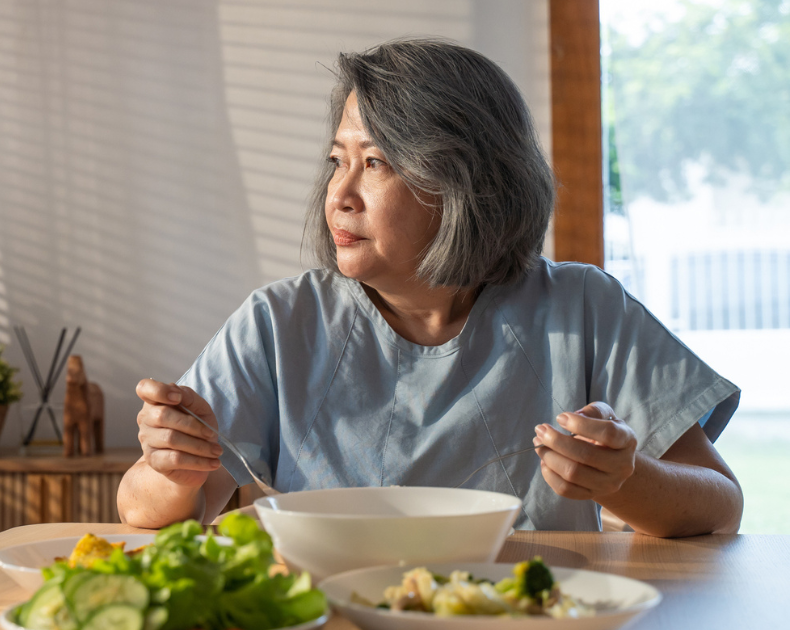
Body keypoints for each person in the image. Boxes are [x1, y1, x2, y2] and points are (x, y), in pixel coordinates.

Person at [116, 38, 743, 536]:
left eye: (377, 163)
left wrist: (624, 480)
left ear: (465, 182)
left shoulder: (586, 307)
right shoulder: (278, 322)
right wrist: (174, 470)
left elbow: (720, 505)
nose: (339, 194)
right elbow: (141, 511)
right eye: (338, 161)